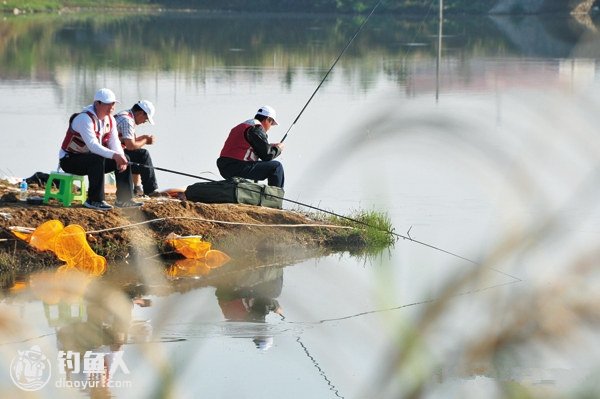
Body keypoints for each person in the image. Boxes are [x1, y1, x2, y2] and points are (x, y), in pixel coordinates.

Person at [58, 88, 141, 210]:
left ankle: (124, 199)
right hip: (70, 161)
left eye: (113, 103)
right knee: (97, 158)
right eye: (108, 103)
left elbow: (114, 141)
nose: (111, 107)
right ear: (97, 104)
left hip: (91, 159)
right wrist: (115, 156)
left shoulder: (111, 120)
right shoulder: (84, 119)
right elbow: (93, 145)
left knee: (125, 158)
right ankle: (94, 200)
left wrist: (120, 156)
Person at [217, 105, 285, 188]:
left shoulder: (243, 126)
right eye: (271, 123)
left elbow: (246, 147)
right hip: (236, 166)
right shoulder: (256, 128)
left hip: (225, 166)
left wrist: (269, 146)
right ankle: (275, 198)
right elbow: (267, 155)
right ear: (267, 119)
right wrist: (278, 148)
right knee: (276, 167)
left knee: (256, 165)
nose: (270, 127)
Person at [115, 100, 161, 197]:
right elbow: (131, 146)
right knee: (143, 154)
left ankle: (137, 188)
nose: (145, 121)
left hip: (114, 149)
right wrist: (145, 141)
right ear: (140, 113)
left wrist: (142, 138)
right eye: (146, 118)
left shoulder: (125, 115)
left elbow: (125, 140)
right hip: (112, 152)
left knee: (138, 154)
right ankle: (150, 190)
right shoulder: (127, 120)